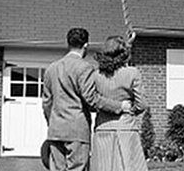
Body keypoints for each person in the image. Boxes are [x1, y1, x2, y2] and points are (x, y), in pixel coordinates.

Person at [42, 28, 128, 171]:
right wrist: (119, 105)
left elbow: (46, 103)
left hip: (55, 130)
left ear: (68, 43)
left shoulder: (52, 68)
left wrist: (52, 122)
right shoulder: (84, 67)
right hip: (77, 130)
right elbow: (92, 98)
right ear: (86, 45)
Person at [90, 35, 148, 171]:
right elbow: (142, 104)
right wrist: (130, 109)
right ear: (123, 53)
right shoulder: (132, 73)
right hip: (126, 128)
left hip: (103, 127)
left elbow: (92, 102)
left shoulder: (96, 75)